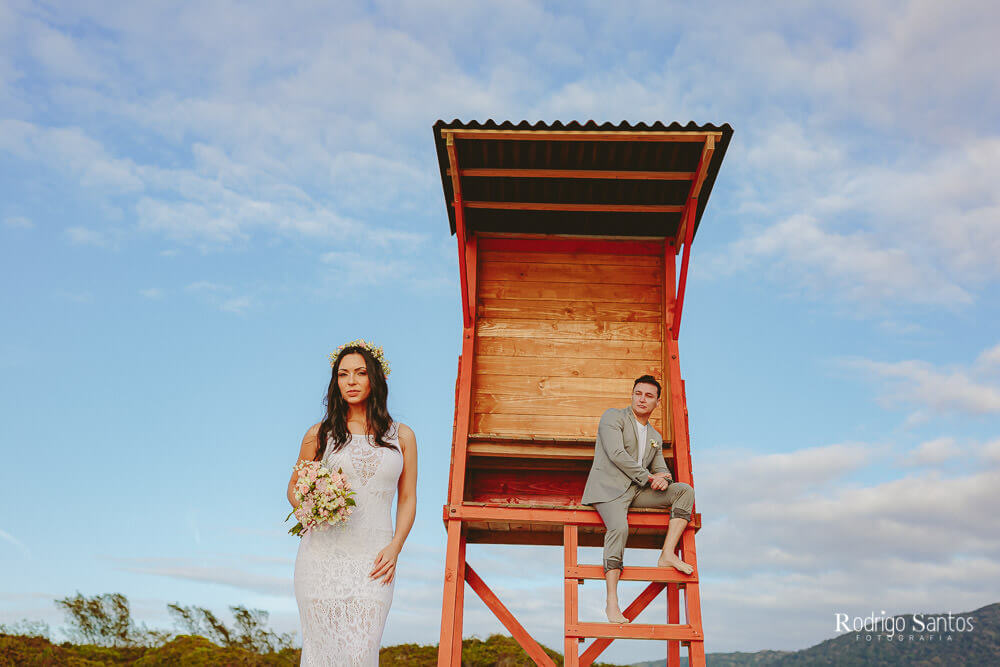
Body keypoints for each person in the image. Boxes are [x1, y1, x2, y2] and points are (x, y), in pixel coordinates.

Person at [288, 340, 417, 666]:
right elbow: (293, 489)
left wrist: (395, 547)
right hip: (320, 561)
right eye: (343, 374)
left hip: (375, 561)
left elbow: (408, 498)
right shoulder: (319, 434)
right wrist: (314, 502)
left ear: (376, 379)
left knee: (361, 652)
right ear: (336, 382)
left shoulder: (401, 436)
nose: (352, 381)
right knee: (322, 655)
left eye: (360, 373)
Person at [580, 375, 695, 624]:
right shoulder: (613, 417)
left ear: (657, 402)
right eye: (638, 393)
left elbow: (661, 467)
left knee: (684, 491)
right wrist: (651, 477)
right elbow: (617, 454)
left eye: (649, 396)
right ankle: (612, 602)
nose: (642, 399)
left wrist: (664, 477)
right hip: (608, 491)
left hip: (636, 491)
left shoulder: (654, 434)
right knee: (620, 528)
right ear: (632, 395)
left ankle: (667, 554)